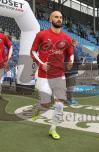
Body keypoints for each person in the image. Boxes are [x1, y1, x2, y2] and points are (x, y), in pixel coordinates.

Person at [31, 11, 74, 140]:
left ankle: (53, 128)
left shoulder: (66, 38)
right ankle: (39, 108)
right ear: (50, 19)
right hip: (44, 74)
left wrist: (71, 61)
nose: (59, 19)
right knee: (46, 103)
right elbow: (32, 51)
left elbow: (71, 52)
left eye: (61, 17)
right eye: (56, 17)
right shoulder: (41, 35)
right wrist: (41, 64)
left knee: (60, 104)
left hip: (59, 74)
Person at [65, 39, 79, 105]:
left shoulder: (65, 49)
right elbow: (76, 59)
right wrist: (80, 62)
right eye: (76, 42)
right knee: (71, 85)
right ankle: (69, 100)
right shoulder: (74, 49)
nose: (77, 43)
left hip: (65, 69)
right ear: (74, 42)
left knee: (65, 85)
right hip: (72, 70)